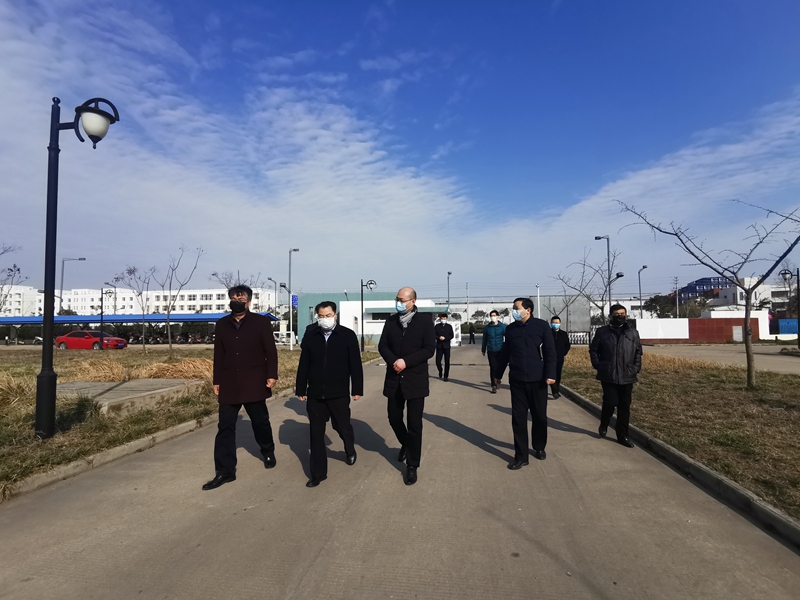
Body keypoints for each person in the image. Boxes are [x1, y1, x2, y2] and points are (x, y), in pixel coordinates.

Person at [203, 285, 279, 490]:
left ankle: (267, 450)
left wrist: (271, 375)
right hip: (229, 382)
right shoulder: (222, 324)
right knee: (225, 427)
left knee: (260, 421)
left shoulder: (261, 323)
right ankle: (225, 471)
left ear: (249, 302)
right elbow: (219, 354)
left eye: (241, 299)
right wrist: (217, 380)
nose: (237, 302)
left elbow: (270, 351)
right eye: (234, 299)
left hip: (254, 380)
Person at [295, 301, 363, 488]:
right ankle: (318, 473)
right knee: (316, 434)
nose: (325, 319)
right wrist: (301, 388)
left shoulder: (347, 335)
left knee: (342, 426)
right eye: (321, 316)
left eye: (328, 315)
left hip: (338, 392)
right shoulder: (311, 335)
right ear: (317, 317)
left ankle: (349, 447)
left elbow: (355, 364)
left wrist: (357, 389)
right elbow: (304, 363)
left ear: (335, 315)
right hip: (315, 393)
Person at [378, 286, 436, 485]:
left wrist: (406, 362)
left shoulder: (424, 321)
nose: (399, 303)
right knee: (394, 418)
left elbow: (429, 349)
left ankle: (412, 465)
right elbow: (382, 345)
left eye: (402, 300)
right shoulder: (391, 321)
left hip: (415, 379)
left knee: (414, 424)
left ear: (413, 302)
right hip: (394, 378)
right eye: (397, 299)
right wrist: (394, 361)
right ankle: (406, 444)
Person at [494, 297, 556, 470]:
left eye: (516, 308)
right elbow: (505, 353)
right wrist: (497, 374)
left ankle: (539, 446)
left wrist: (551, 374)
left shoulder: (541, 326)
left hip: (538, 380)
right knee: (518, 418)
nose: (514, 311)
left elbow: (550, 352)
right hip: (517, 380)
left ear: (528, 310)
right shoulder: (511, 330)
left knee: (539, 416)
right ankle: (521, 456)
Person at [589, 304, 642, 448]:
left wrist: (636, 368)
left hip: (627, 374)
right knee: (610, 402)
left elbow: (638, 351)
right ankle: (604, 423)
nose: (620, 316)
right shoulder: (602, 332)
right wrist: (598, 365)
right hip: (609, 374)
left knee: (624, 406)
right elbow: (593, 350)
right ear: (611, 316)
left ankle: (622, 435)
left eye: (622, 314)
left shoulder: (632, 333)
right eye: (617, 314)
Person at [481, 310, 506, 393]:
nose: (493, 317)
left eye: (494, 315)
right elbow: (484, 339)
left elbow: (508, 338)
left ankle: (498, 379)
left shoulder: (502, 327)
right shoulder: (487, 328)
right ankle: (493, 385)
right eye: (491, 315)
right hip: (491, 350)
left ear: (498, 316)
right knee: (493, 367)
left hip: (501, 350)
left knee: (500, 367)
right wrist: (483, 349)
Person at [549, 315, 571, 398]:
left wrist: (563, 353)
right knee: (552, 374)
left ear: (560, 323)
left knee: (558, 375)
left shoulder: (563, 334)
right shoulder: (548, 333)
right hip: (550, 358)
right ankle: (554, 391)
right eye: (554, 323)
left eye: (557, 323)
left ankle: (556, 390)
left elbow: (567, 345)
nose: (555, 324)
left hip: (560, 358)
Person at [434, 313, 454, 381]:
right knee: (437, 361)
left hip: (446, 346)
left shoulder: (449, 327)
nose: (443, 319)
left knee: (447, 362)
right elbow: (433, 334)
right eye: (442, 318)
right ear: (440, 319)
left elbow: (451, 335)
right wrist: (438, 337)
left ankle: (446, 376)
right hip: (439, 346)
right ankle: (440, 370)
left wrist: (445, 338)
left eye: (444, 318)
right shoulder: (437, 326)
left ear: (447, 319)